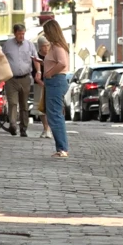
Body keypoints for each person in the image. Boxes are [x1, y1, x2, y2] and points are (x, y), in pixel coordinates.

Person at [1, 24, 40, 137]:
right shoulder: (8, 45)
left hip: (25, 78)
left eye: (23, 34)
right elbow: (1, 59)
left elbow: (36, 59)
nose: (21, 36)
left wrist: (38, 71)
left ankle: (23, 128)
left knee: (24, 105)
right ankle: (13, 125)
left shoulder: (29, 45)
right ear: (15, 33)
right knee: (12, 103)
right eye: (19, 34)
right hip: (11, 79)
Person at [41, 20, 70, 157]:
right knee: (54, 114)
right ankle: (61, 148)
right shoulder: (55, 46)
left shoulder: (57, 46)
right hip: (55, 81)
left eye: (46, 32)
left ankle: (62, 148)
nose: (45, 35)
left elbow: (62, 63)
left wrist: (49, 73)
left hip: (56, 81)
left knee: (55, 115)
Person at [31, 36, 52, 138]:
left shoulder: (51, 56)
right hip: (39, 85)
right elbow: (34, 74)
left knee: (49, 108)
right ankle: (45, 128)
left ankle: (48, 129)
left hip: (50, 84)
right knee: (40, 108)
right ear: (39, 47)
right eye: (44, 46)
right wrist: (42, 83)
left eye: (48, 45)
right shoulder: (36, 57)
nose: (46, 48)